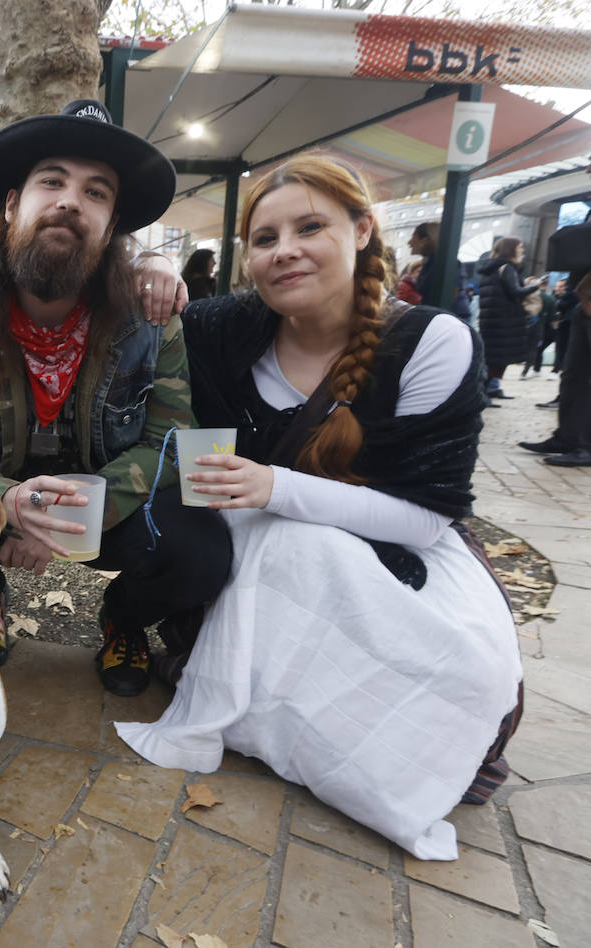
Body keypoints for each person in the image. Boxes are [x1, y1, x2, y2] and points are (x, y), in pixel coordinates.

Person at [116, 154, 522, 861]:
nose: (285, 252)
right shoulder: (220, 328)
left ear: (363, 229)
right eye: (266, 239)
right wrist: (152, 259)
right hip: (256, 533)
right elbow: (158, 380)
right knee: (288, 554)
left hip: (388, 540)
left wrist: (277, 487)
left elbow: (427, 518)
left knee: (470, 675)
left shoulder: (430, 341)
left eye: (310, 227)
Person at [0, 99, 231, 696]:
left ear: (111, 227)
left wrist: (82, 509)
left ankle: (125, 617)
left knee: (200, 547)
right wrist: (9, 505)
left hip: (102, 510)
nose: (69, 201)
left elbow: (169, 440)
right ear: (12, 206)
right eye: (52, 181)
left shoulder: (151, 323)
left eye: (96, 192)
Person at [517, 210, 591, 466]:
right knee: (574, 375)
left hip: (587, 300)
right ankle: (568, 437)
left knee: (586, 376)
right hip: (581, 303)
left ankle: (585, 444)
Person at [476, 237, 540, 401]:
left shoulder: (490, 268)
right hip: (504, 320)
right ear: (511, 249)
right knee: (498, 359)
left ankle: (491, 389)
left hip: (491, 319)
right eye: (519, 247)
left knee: (492, 357)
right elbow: (515, 292)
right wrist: (534, 286)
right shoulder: (507, 267)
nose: (522, 250)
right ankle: (484, 393)